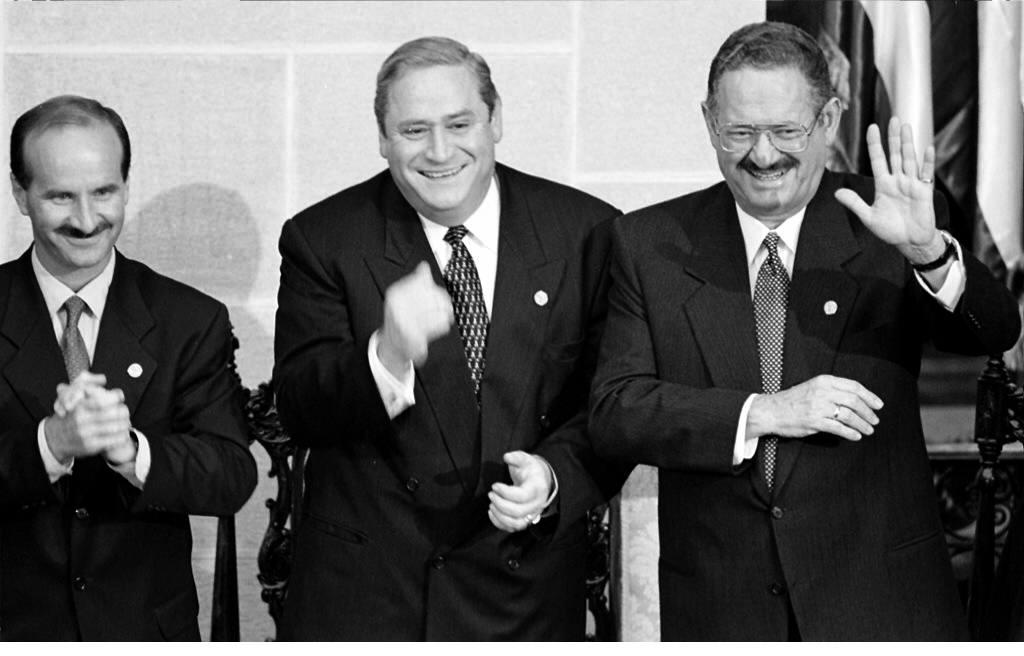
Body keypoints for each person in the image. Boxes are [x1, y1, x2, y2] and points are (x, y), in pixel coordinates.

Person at [589, 21, 1021, 641]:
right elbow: (615, 412)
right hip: (721, 610)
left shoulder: (886, 221)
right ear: (710, 122)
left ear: (829, 119)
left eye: (786, 131)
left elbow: (992, 332)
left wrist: (928, 253)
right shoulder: (648, 243)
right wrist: (763, 413)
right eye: (740, 132)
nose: (763, 155)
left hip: (879, 604)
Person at [273, 36, 625, 640]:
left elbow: (615, 403)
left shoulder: (587, 232)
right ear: (383, 138)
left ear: (496, 121)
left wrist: (553, 475)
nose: (439, 152)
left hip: (524, 595)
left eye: (459, 123)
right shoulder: (323, 239)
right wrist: (386, 354)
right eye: (413, 130)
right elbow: (301, 409)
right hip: (369, 599)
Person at [0, 95, 257, 640]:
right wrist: (50, 443)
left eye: (104, 192)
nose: (88, 219)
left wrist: (132, 451)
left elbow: (231, 474)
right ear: (20, 194)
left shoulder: (189, 319)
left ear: (125, 185)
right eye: (61, 197)